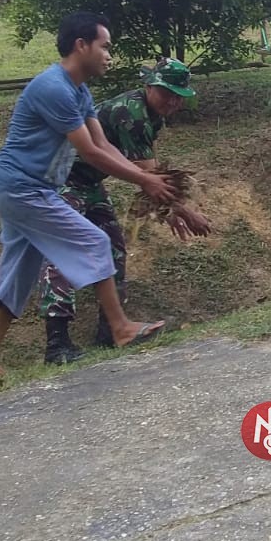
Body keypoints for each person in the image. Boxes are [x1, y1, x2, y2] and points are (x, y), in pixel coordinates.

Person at [0, 13, 177, 379]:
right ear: (81, 45)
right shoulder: (54, 88)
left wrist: (145, 178)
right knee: (95, 242)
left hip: (23, 190)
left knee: (19, 272)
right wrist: (145, 181)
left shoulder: (79, 91)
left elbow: (104, 145)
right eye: (105, 46)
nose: (109, 55)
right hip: (23, 189)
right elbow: (91, 154)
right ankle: (121, 328)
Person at [36, 58, 213, 364]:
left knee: (112, 246)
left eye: (178, 96)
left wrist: (170, 209)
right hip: (58, 179)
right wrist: (185, 213)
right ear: (149, 86)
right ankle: (57, 345)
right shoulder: (132, 113)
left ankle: (110, 330)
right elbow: (150, 180)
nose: (172, 101)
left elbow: (150, 177)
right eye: (166, 93)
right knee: (62, 251)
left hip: (88, 182)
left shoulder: (151, 114)